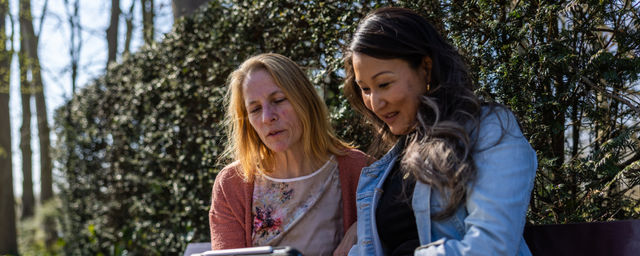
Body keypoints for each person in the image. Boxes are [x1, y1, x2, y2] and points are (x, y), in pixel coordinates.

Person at [342, 7, 537, 256]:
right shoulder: (390, 164)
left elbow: (491, 246)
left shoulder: (490, 129)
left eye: (384, 84)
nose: (375, 102)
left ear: (426, 68)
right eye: (365, 89)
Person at [209, 53, 370, 255]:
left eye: (278, 100)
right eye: (255, 109)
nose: (268, 117)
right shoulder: (232, 184)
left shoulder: (359, 168)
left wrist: (361, 229)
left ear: (305, 100)